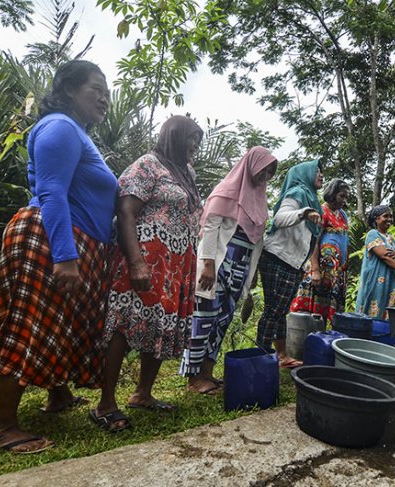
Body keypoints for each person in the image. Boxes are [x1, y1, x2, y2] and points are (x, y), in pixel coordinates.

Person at [0, 61, 116, 453]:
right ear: (69, 90)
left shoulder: (77, 134)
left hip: (68, 240)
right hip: (50, 239)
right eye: (96, 88)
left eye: (107, 90)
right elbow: (53, 192)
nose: (104, 97)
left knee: (59, 324)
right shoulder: (60, 127)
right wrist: (65, 257)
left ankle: (59, 396)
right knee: (27, 326)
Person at [92, 115, 203, 431]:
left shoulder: (186, 174)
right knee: (124, 323)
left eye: (198, 140)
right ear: (173, 136)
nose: (194, 146)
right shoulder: (147, 165)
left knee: (160, 324)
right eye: (190, 138)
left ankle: (143, 394)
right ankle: (106, 404)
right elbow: (125, 213)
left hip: (175, 263)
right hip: (145, 257)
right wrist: (137, 262)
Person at [180, 147, 278, 394]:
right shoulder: (226, 192)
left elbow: (257, 242)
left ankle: (207, 373)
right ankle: (193, 379)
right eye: (263, 168)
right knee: (203, 318)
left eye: (270, 172)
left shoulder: (259, 201)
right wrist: (208, 266)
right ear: (251, 165)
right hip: (217, 266)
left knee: (223, 320)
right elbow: (210, 228)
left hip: (240, 270)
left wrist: (251, 274)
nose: (265, 175)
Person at [256, 160, 323, 368]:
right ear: (305, 173)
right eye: (317, 170)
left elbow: (307, 239)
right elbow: (279, 219)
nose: (321, 174)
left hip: (290, 262)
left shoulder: (311, 198)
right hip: (278, 257)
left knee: (279, 311)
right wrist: (303, 213)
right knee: (273, 311)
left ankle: (282, 356)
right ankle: (261, 358)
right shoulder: (298, 193)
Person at [290, 179, 351, 323]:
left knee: (325, 314)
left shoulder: (342, 215)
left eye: (346, 197)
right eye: (342, 196)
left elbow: (345, 240)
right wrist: (315, 270)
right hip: (320, 271)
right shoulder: (321, 211)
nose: (344, 200)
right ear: (332, 193)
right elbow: (314, 241)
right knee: (311, 314)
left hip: (335, 272)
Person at [355, 205, 395, 320]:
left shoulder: (390, 237)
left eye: (391, 216)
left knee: (387, 311)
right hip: (376, 279)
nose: (389, 219)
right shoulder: (373, 234)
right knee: (372, 309)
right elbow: (385, 256)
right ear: (376, 219)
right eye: (385, 216)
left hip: (390, 280)